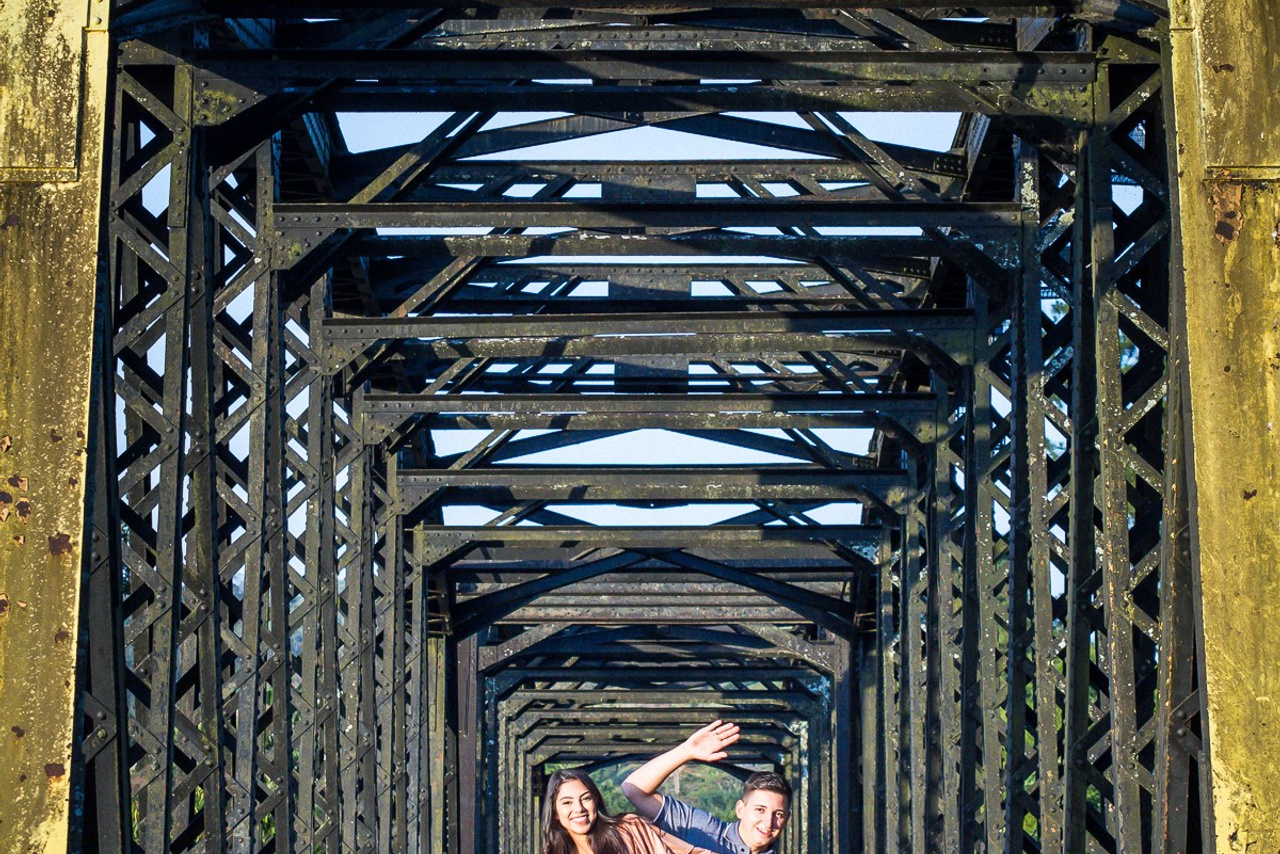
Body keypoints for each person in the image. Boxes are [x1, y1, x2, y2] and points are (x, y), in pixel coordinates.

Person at [620, 721, 791, 854]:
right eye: (760, 810)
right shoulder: (702, 830)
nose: (768, 822)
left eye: (778, 814)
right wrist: (686, 751)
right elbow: (633, 789)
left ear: (787, 818)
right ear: (740, 809)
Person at [542, 768, 712, 854]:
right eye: (567, 802)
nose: (579, 808)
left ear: (596, 800)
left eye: (586, 798)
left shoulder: (630, 829)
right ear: (555, 812)